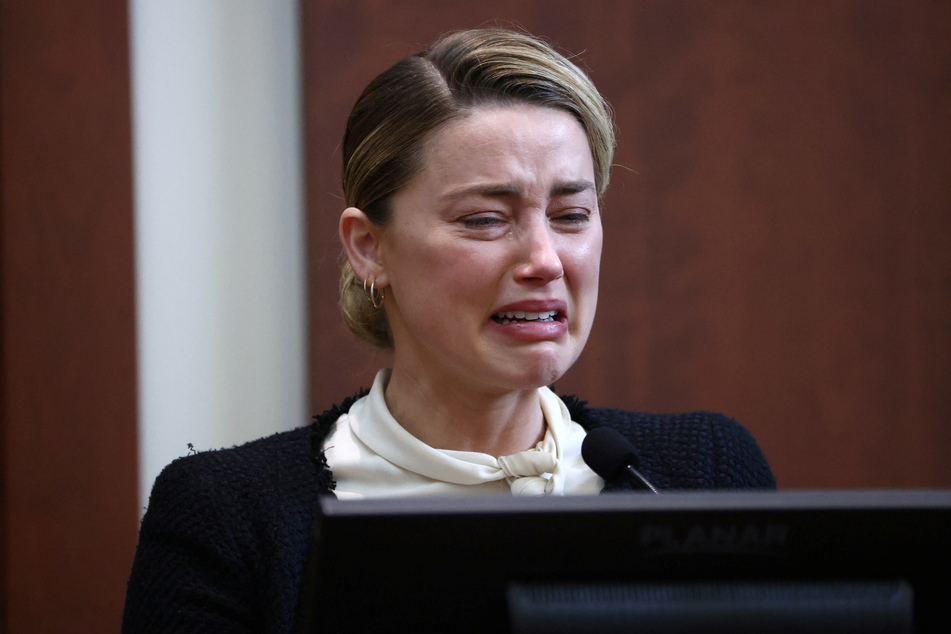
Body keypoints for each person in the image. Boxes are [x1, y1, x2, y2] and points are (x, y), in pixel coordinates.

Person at [122, 27, 775, 633]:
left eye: (570, 214)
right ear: (369, 248)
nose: (545, 259)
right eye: (486, 220)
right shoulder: (228, 517)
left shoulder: (701, 473)